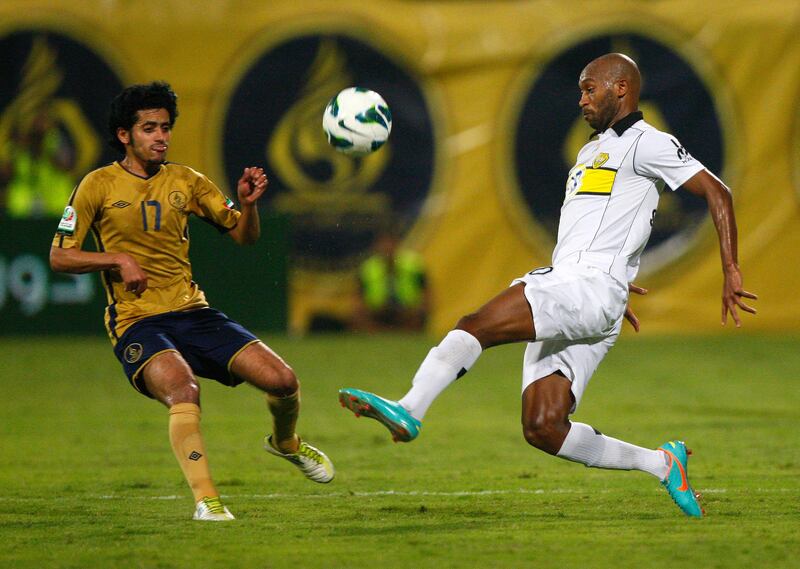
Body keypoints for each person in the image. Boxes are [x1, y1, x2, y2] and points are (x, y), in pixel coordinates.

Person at [339, 53, 757, 518]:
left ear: (621, 89)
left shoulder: (648, 142)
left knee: (477, 324)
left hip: (589, 290)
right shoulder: (588, 151)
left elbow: (718, 191)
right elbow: (606, 224)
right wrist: (619, 280)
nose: (581, 99)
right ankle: (662, 464)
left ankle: (411, 408)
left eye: (589, 88)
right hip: (588, 293)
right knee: (543, 426)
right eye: (580, 89)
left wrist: (731, 269)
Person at [50, 81, 334, 522]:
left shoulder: (187, 180)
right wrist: (118, 259)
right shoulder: (96, 185)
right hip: (137, 320)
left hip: (192, 312)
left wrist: (247, 205)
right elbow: (59, 255)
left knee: (283, 381)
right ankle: (207, 501)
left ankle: (286, 443)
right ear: (125, 135)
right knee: (185, 390)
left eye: (165, 127)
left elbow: (243, 236)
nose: (161, 136)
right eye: (149, 128)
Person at [351, 228, 429, 332]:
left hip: (406, 309)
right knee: (358, 314)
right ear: (377, 246)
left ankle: (406, 333)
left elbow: (427, 292)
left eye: (391, 244)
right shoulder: (368, 268)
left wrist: (421, 308)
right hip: (378, 310)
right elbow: (358, 295)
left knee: (419, 313)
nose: (388, 248)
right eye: (384, 245)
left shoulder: (413, 265)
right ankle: (377, 334)